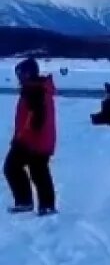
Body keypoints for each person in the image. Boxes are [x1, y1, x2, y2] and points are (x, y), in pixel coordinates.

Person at [5, 58, 56, 215]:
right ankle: (38, 204)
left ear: (28, 73)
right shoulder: (34, 88)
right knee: (36, 170)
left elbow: (36, 120)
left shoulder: (35, 91)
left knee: (15, 168)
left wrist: (23, 138)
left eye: (20, 73)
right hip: (34, 140)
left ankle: (36, 204)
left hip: (33, 141)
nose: (18, 77)